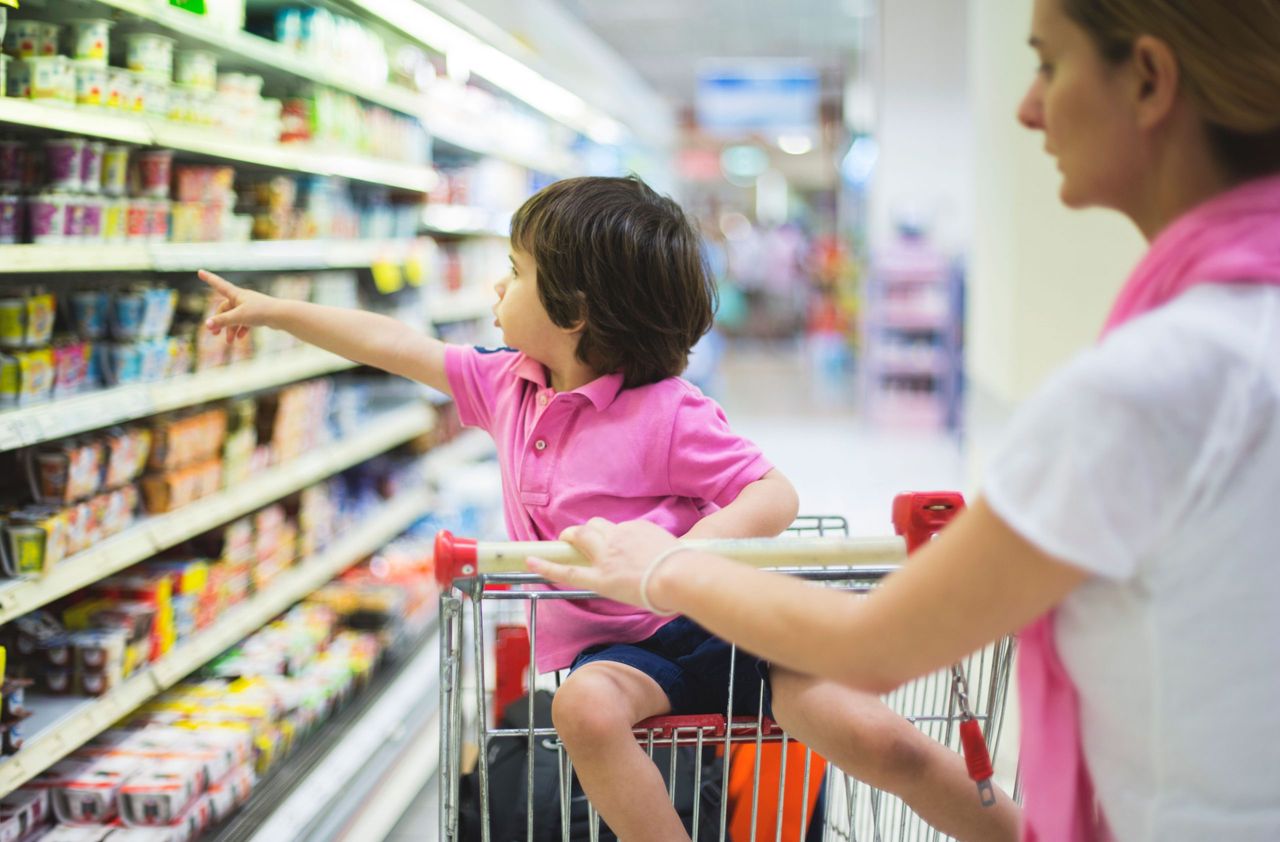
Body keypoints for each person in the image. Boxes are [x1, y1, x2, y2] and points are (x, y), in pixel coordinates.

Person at [529, 3, 1280, 841]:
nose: (1028, 107)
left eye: (1050, 65)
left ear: (1147, 79)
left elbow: (878, 646)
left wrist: (663, 567)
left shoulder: (1148, 384)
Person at [198, 176, 1019, 841]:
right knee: (582, 706)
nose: (496, 284)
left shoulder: (666, 410)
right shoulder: (502, 386)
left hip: (731, 622)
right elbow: (390, 342)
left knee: (877, 739)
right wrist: (276, 311)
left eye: (515, 271)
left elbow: (774, 494)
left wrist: (677, 564)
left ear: (575, 308)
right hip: (626, 658)